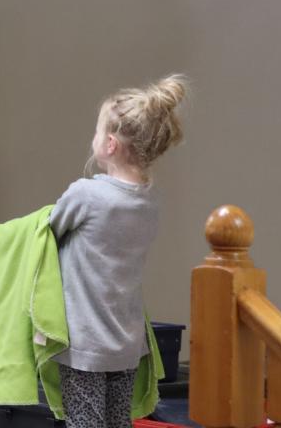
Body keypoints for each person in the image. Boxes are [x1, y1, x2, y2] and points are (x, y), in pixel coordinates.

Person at [48, 74, 189, 428]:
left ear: (110, 144)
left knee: (84, 423)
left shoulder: (86, 195)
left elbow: (47, 232)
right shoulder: (149, 203)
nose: (93, 139)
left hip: (86, 341)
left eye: (97, 132)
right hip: (126, 341)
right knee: (116, 422)